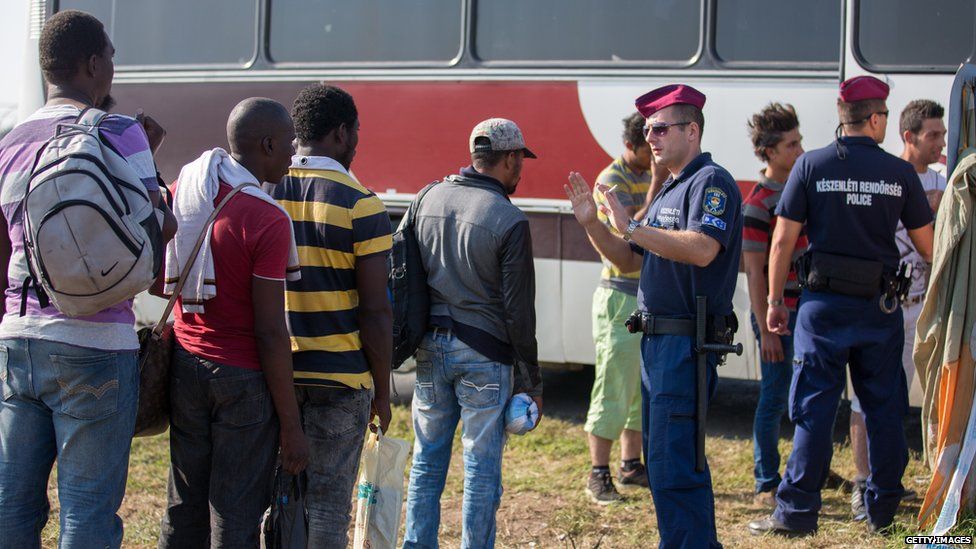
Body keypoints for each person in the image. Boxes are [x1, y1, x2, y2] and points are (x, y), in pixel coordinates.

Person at [0, 10, 175, 548]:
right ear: (94, 63)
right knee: (89, 511)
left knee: (12, 503)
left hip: (18, 337)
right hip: (96, 342)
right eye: (113, 57)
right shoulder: (121, 131)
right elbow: (155, 229)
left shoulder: (10, 142)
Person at [748, 76, 935, 536]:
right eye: (885, 117)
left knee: (813, 410)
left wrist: (775, 303)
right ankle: (883, 513)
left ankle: (795, 516)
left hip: (821, 309)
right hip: (879, 309)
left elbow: (782, 243)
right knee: (883, 409)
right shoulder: (900, 174)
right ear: (874, 119)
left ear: (842, 118)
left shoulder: (810, 166)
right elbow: (930, 247)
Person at [566, 84, 742, 548]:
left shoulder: (711, 182)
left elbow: (703, 249)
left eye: (661, 129)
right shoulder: (668, 189)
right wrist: (592, 224)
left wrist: (631, 225)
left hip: (684, 343)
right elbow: (628, 261)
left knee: (675, 464)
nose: (651, 139)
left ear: (692, 129)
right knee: (664, 464)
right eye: (647, 130)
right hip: (659, 344)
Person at [158, 98, 308, 548]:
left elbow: (158, 274)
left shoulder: (187, 186)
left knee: (184, 501)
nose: (293, 154)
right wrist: (291, 424)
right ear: (266, 144)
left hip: (185, 364)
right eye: (287, 144)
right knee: (236, 511)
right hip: (241, 379)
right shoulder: (267, 218)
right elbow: (269, 331)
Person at [402, 118, 544, 549]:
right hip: (484, 355)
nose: (521, 169)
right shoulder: (508, 219)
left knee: (427, 461)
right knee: (481, 469)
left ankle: (417, 544)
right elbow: (519, 314)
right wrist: (531, 379)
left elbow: (403, 277)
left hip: (429, 349)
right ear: (509, 159)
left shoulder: (426, 197)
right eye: (520, 160)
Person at [268, 84, 393, 548]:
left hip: (272, 372)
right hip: (341, 380)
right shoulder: (362, 204)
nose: (357, 142)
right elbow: (376, 311)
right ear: (341, 133)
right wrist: (383, 391)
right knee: (327, 506)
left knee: (276, 496)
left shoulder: (263, 189)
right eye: (356, 131)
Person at [847, 99, 946, 520]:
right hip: (884, 306)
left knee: (906, 402)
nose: (941, 143)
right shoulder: (885, 176)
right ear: (909, 137)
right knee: (864, 402)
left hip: (929, 308)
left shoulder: (945, 180)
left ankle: (891, 481)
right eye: (934, 135)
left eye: (943, 134)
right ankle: (861, 484)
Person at [584, 111, 667, 504]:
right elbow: (625, 238)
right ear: (632, 145)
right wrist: (654, 188)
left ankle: (630, 464)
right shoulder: (610, 181)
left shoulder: (650, 172)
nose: (654, 154)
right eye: (647, 148)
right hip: (619, 296)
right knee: (613, 385)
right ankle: (597, 473)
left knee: (637, 388)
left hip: (644, 295)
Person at [741, 103, 806, 507]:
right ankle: (766, 479)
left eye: (800, 142)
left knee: (807, 394)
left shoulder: (804, 189)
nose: (800, 151)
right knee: (774, 395)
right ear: (769, 151)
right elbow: (753, 271)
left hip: (808, 309)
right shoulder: (758, 202)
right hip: (777, 314)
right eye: (792, 144)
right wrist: (766, 328)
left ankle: (804, 466)